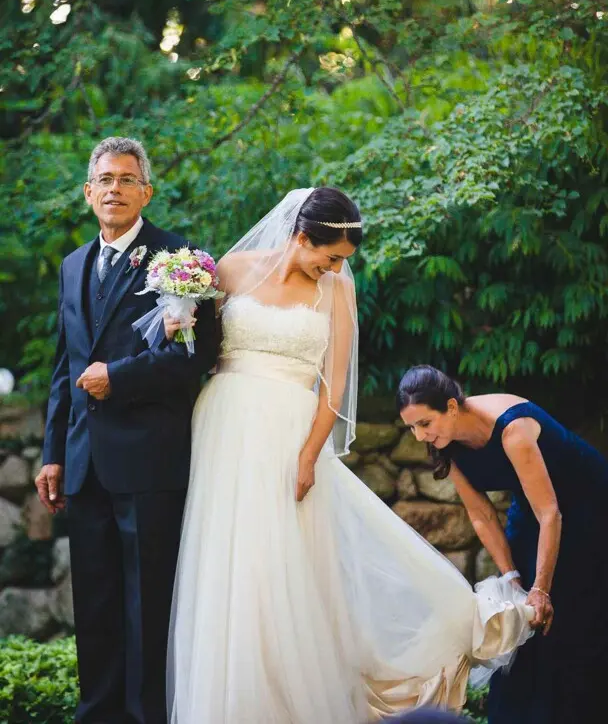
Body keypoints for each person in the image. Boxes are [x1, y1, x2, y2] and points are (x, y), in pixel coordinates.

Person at [164, 188, 532, 724]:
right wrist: (176, 319)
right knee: (226, 562)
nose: (336, 267)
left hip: (288, 434)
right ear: (300, 236)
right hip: (223, 424)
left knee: (282, 566)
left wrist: (309, 456)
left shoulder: (335, 290)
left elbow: (333, 387)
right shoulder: (231, 269)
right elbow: (197, 348)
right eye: (330, 256)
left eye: (342, 261)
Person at [36, 137, 218, 724]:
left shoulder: (181, 259)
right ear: (88, 193)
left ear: (146, 190)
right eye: (104, 180)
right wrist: (53, 455)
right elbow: (64, 371)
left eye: (125, 179)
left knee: (146, 608)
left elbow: (196, 355)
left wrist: (119, 376)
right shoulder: (71, 266)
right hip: (85, 465)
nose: (114, 189)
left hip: (148, 464)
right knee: (95, 606)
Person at [397, 365, 608, 724]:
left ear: (450, 407)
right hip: (534, 508)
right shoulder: (447, 443)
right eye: (412, 428)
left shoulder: (513, 429)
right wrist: (511, 575)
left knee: (571, 614)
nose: (419, 437)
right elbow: (480, 514)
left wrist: (541, 587)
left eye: (425, 424)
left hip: (588, 507)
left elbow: (551, 514)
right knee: (520, 617)